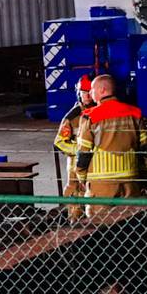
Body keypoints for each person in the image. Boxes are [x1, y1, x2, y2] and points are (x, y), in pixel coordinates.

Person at [76, 75, 147, 217]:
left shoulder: (90, 116)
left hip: (102, 185)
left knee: (100, 224)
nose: (90, 93)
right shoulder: (135, 113)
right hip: (130, 180)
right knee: (130, 221)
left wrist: (82, 177)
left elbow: (83, 154)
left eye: (92, 89)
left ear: (102, 90)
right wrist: (143, 174)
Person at [53, 74, 95, 221]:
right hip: (75, 168)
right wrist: (79, 150)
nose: (87, 96)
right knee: (75, 198)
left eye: (89, 92)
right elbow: (59, 142)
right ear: (78, 93)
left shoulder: (99, 112)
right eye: (84, 92)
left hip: (94, 165)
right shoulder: (72, 117)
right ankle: (74, 221)